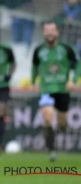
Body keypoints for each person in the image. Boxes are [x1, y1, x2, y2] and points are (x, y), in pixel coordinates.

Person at [31, 22, 78, 162]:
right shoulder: (38, 50)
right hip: (46, 89)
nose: (49, 33)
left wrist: (73, 80)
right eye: (47, 30)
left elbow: (78, 64)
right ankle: (52, 151)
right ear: (44, 33)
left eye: (52, 30)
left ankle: (63, 127)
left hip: (62, 89)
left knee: (62, 120)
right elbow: (34, 66)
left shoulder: (66, 48)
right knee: (48, 117)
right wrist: (33, 82)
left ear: (57, 32)